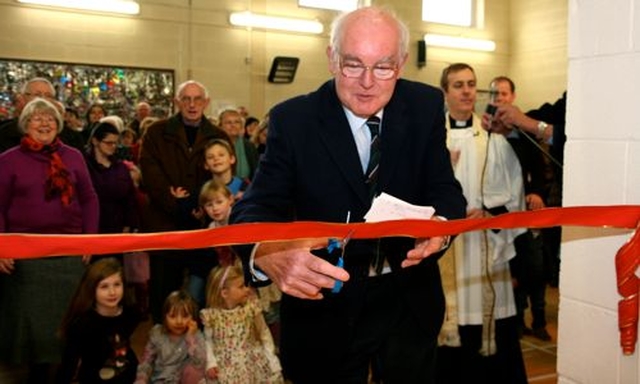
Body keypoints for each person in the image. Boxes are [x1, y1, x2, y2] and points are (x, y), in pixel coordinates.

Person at [230, 6, 466, 383]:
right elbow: (255, 206)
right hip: (324, 306)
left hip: (408, 298)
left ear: (402, 63)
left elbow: (445, 189)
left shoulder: (423, 107)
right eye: (353, 65)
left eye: (383, 66)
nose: (367, 82)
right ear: (331, 58)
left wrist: (440, 226)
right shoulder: (294, 120)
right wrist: (266, 252)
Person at [437, 63, 527, 384]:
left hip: (486, 246)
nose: (466, 91)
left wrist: (490, 215)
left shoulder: (494, 141)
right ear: (445, 92)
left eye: (471, 84)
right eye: (458, 85)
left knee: (491, 335)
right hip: (445, 250)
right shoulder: (433, 142)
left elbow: (515, 194)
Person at [0, 97, 99, 383]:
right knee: (37, 330)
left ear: (59, 125)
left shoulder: (73, 156)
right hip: (27, 257)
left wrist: (90, 240)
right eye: (36, 118)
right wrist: (2, 246)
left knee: (69, 324)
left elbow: (89, 198)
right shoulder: (8, 161)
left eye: (50, 118)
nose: (44, 123)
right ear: (24, 124)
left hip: (70, 254)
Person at [139, 80, 230, 323]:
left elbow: (219, 177)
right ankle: (162, 348)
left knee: (199, 291)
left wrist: (199, 208)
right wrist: (173, 202)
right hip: (164, 225)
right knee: (163, 289)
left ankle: (197, 348)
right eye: (186, 99)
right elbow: (151, 173)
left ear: (206, 103)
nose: (192, 104)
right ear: (177, 102)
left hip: (203, 226)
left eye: (197, 99)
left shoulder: (218, 136)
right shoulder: (157, 133)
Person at [485, 76, 551, 341]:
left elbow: (538, 168)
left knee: (533, 268)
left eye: (504, 93)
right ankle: (518, 320)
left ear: (512, 97)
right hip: (498, 215)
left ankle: (540, 320)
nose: (499, 98)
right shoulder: (484, 131)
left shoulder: (524, 133)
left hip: (527, 213)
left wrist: (536, 193)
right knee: (508, 269)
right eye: (494, 93)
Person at [57, 258, 140, 384]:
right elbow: (68, 364)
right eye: (104, 286)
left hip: (129, 376)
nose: (112, 292)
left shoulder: (131, 313)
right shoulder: (81, 324)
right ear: (92, 289)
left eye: (117, 284)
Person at [200, 262, 283, 384]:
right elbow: (208, 341)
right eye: (241, 286)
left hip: (251, 364)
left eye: (246, 285)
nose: (247, 289)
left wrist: (272, 359)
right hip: (225, 367)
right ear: (224, 293)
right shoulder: (212, 316)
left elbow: (264, 333)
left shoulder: (251, 309)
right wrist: (210, 363)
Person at [85, 121, 140, 263]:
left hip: (117, 228)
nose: (113, 147)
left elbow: (130, 198)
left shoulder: (120, 167)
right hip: (93, 229)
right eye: (108, 143)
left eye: (115, 143)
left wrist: (129, 225)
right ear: (95, 141)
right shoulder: (84, 166)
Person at [135, 290, 207, 384]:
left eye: (185, 316)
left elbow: (200, 362)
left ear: (192, 317)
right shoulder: (157, 334)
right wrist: (141, 379)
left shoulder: (195, 334)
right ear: (165, 317)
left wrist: (190, 338)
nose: (179, 321)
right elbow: (146, 361)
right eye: (172, 316)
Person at [0, 77, 57, 153]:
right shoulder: (5, 133)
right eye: (37, 94)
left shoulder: (68, 136)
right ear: (23, 99)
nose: (43, 99)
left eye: (48, 95)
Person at [218, 108, 259, 180]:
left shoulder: (249, 146)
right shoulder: (214, 145)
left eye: (237, 122)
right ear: (220, 126)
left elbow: (256, 172)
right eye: (228, 122)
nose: (233, 125)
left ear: (241, 126)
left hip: (245, 188)